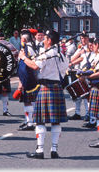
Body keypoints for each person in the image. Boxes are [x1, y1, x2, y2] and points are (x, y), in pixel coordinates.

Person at [18, 30, 68, 159]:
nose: (43, 40)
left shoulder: (47, 53)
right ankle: (54, 149)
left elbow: (35, 66)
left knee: (40, 121)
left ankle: (40, 150)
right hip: (57, 87)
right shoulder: (62, 54)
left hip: (46, 88)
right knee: (56, 122)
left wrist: (23, 57)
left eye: (45, 38)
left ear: (50, 40)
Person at [67, 32, 92, 124]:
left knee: (86, 94)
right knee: (78, 93)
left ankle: (87, 113)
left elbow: (85, 59)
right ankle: (77, 112)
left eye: (85, 38)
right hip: (79, 71)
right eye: (82, 38)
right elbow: (73, 59)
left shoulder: (90, 47)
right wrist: (79, 53)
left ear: (88, 38)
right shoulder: (80, 48)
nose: (83, 40)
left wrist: (83, 53)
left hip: (87, 72)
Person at [17, 30, 39, 131]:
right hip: (27, 76)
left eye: (21, 37)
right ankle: (28, 120)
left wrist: (22, 80)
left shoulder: (28, 47)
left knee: (27, 101)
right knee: (28, 101)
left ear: (24, 39)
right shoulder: (28, 46)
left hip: (28, 76)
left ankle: (30, 123)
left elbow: (32, 62)